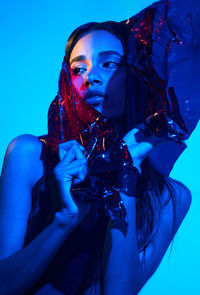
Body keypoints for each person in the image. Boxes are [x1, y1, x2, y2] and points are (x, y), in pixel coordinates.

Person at [0, 1, 197, 294]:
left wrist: (124, 168)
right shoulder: (29, 155)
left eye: (109, 64)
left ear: (136, 76)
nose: (90, 78)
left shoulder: (171, 197)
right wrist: (65, 220)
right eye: (78, 68)